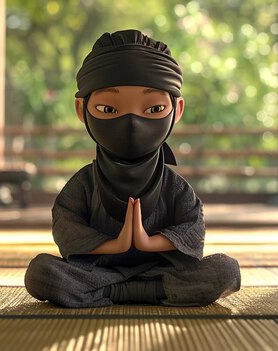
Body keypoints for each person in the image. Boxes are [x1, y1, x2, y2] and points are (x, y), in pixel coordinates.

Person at [25, 29, 241, 308]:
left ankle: (116, 293)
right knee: (41, 273)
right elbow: (67, 228)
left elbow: (193, 229)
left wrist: (149, 243)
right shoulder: (85, 183)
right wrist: (114, 245)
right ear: (81, 110)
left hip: (161, 272)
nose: (131, 122)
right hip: (97, 273)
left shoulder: (173, 185)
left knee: (226, 270)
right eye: (108, 109)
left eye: (153, 109)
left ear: (177, 110)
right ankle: (146, 293)